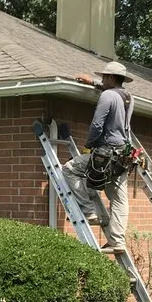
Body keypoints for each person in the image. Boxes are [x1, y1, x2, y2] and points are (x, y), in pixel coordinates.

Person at [64, 61, 135, 254]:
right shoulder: (128, 97)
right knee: (119, 199)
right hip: (122, 155)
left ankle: (89, 211)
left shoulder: (107, 96)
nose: (102, 79)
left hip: (106, 152)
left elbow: (97, 125)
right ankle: (117, 241)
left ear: (111, 78)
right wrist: (93, 82)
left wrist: (89, 144)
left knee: (70, 169)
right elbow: (111, 90)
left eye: (104, 77)